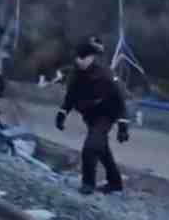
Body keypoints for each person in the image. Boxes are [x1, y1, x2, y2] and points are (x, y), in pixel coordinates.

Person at [56, 36, 130, 195]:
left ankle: (88, 184)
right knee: (101, 148)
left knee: (90, 147)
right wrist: (62, 113)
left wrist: (123, 125)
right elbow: (71, 96)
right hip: (90, 115)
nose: (79, 60)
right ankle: (115, 183)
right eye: (77, 57)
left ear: (91, 58)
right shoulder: (76, 74)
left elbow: (120, 98)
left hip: (106, 114)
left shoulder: (104, 74)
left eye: (83, 57)